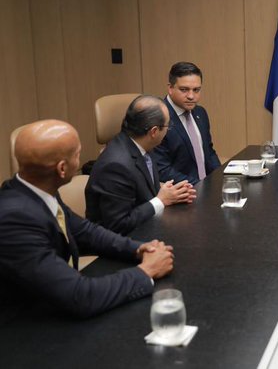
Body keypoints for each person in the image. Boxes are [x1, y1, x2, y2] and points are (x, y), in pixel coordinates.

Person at [0, 120, 174, 319]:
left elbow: (85, 232)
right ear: (62, 169)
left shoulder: (36, 188)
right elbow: (80, 296)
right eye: (77, 154)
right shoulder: (14, 220)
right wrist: (146, 271)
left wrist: (138, 249)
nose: (80, 160)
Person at [86, 95, 196, 235]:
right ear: (154, 132)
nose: (168, 130)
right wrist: (161, 200)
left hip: (148, 227)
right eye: (168, 126)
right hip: (121, 241)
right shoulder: (116, 166)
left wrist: (171, 192)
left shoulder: (140, 144)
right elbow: (118, 225)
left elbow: (141, 188)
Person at [152, 62, 221, 184]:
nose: (191, 96)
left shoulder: (200, 112)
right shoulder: (158, 118)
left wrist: (220, 177)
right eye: (184, 90)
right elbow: (162, 169)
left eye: (196, 90)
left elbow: (209, 152)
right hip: (184, 189)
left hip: (207, 187)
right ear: (170, 88)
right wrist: (199, 186)